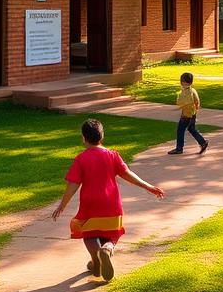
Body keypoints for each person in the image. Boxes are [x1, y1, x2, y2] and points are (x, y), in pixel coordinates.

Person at [52, 118, 164, 281]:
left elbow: (73, 184)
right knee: (111, 234)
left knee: (88, 233)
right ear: (101, 136)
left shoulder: (81, 159)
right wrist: (148, 186)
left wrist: (62, 205)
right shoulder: (112, 155)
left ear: (84, 138)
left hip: (90, 204)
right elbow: (127, 174)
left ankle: (96, 258)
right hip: (111, 202)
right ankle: (107, 249)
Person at [168, 71, 209, 155]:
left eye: (182, 81)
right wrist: (195, 110)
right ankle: (203, 142)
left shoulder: (185, 93)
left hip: (186, 115)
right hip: (193, 113)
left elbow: (184, 103)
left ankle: (179, 148)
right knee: (192, 129)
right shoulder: (193, 90)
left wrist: (181, 109)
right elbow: (197, 101)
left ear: (183, 82)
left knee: (180, 130)